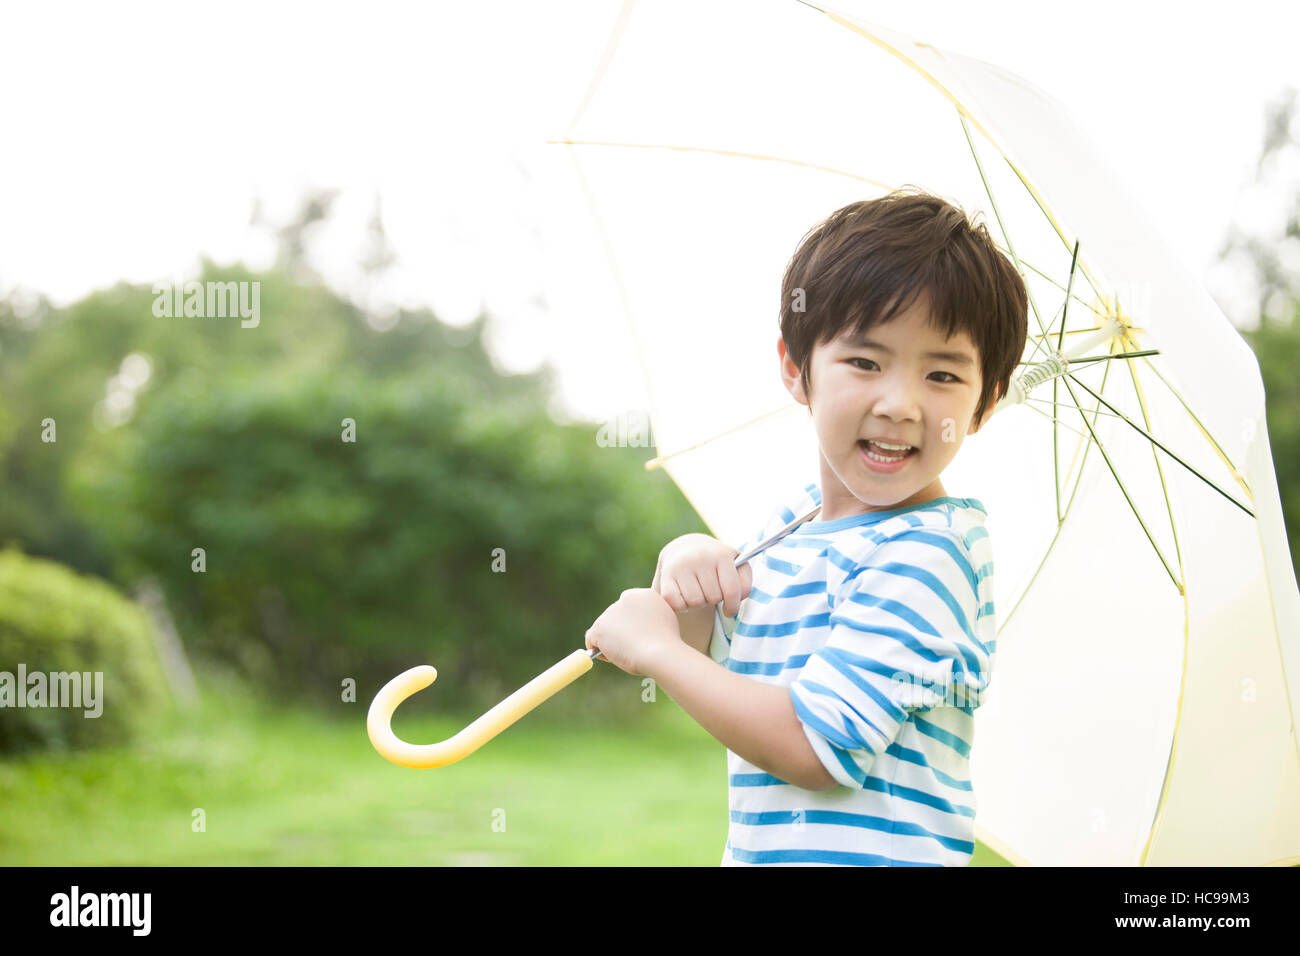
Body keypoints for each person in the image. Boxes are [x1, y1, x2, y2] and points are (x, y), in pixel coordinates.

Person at [584, 187, 1029, 866]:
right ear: (797, 368)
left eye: (942, 374)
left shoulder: (931, 554)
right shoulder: (792, 525)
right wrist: (687, 571)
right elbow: (727, 669)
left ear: (984, 403)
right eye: (865, 361)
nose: (901, 404)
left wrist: (658, 654)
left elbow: (812, 745)